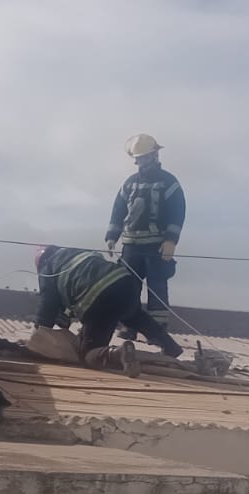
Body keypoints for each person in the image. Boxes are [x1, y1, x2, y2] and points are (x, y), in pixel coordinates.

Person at [32, 245, 183, 372]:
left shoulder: (48, 267)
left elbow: (48, 304)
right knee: (136, 317)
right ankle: (170, 346)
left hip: (99, 298)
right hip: (125, 283)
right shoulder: (76, 252)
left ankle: (118, 353)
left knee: (88, 355)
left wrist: (39, 332)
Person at [105, 133, 185, 342]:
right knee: (128, 286)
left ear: (155, 155)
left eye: (146, 157)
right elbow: (118, 209)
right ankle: (129, 326)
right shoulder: (130, 183)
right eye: (139, 158)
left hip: (156, 246)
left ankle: (156, 331)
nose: (142, 162)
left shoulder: (169, 182)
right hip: (131, 246)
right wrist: (112, 235)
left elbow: (177, 212)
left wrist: (171, 240)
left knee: (157, 286)